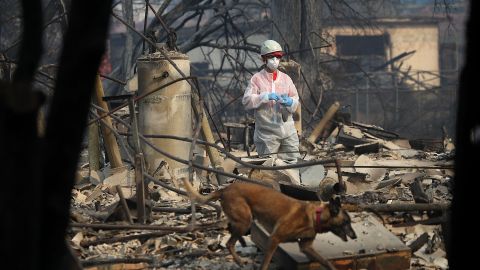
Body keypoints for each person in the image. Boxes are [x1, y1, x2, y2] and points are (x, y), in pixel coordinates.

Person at [242, 40, 300, 161]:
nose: (275, 60)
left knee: (293, 163)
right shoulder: (257, 79)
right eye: (271, 57)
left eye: (278, 57)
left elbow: (295, 99)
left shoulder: (286, 79)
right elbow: (247, 101)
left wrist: (290, 102)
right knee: (268, 168)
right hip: (266, 133)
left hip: (288, 131)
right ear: (263, 59)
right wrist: (264, 97)